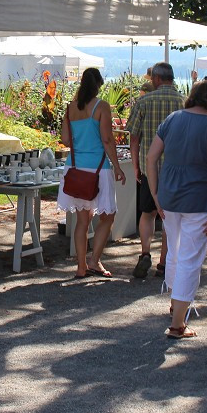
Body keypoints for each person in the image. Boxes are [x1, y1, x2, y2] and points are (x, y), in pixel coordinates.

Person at [146, 81, 207, 339]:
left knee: (174, 251)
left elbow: (151, 158)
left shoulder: (172, 119)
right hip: (198, 199)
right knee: (190, 259)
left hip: (169, 197)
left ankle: (176, 303)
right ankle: (177, 322)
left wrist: (155, 195)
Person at [58, 68, 126, 278]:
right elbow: (107, 139)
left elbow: (66, 140)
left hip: (76, 167)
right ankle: (94, 260)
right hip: (98, 168)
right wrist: (117, 166)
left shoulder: (70, 108)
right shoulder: (101, 106)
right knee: (108, 216)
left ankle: (81, 266)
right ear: (98, 84)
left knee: (82, 220)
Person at [127, 62, 185, 279]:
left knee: (147, 213)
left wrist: (135, 165)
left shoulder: (144, 101)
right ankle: (164, 262)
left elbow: (133, 137)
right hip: (175, 170)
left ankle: (145, 253)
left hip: (147, 168)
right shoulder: (184, 102)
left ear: (157, 79)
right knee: (170, 216)